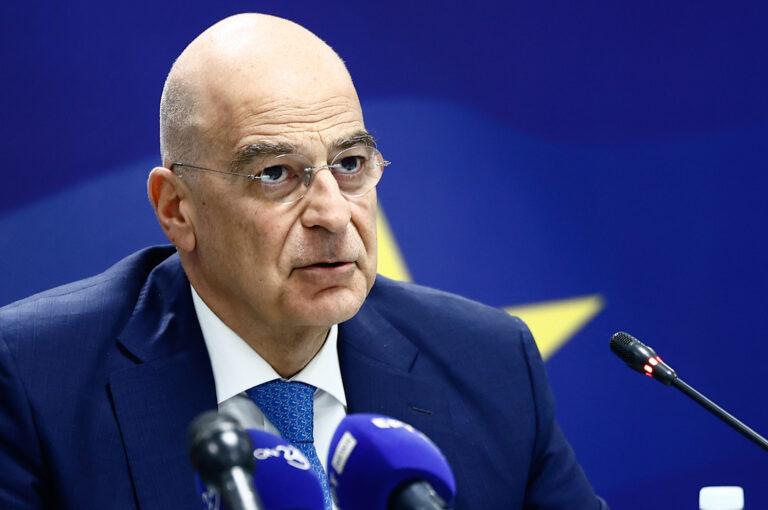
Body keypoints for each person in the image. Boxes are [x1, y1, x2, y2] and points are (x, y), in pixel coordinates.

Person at [0, 13, 606, 509]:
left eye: (350, 164)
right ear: (177, 209)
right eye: (275, 174)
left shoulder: (489, 364)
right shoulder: (35, 381)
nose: (333, 214)